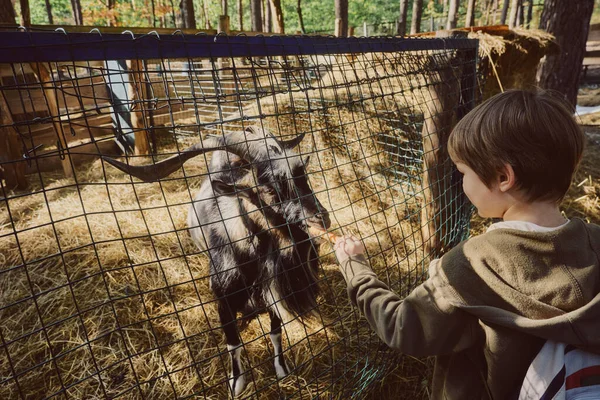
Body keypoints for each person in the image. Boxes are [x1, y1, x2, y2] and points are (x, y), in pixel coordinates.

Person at [333, 89, 600, 399]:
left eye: (463, 172)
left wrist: (356, 270)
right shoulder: (595, 241)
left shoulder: (471, 264)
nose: (462, 183)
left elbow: (402, 327)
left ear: (503, 177)